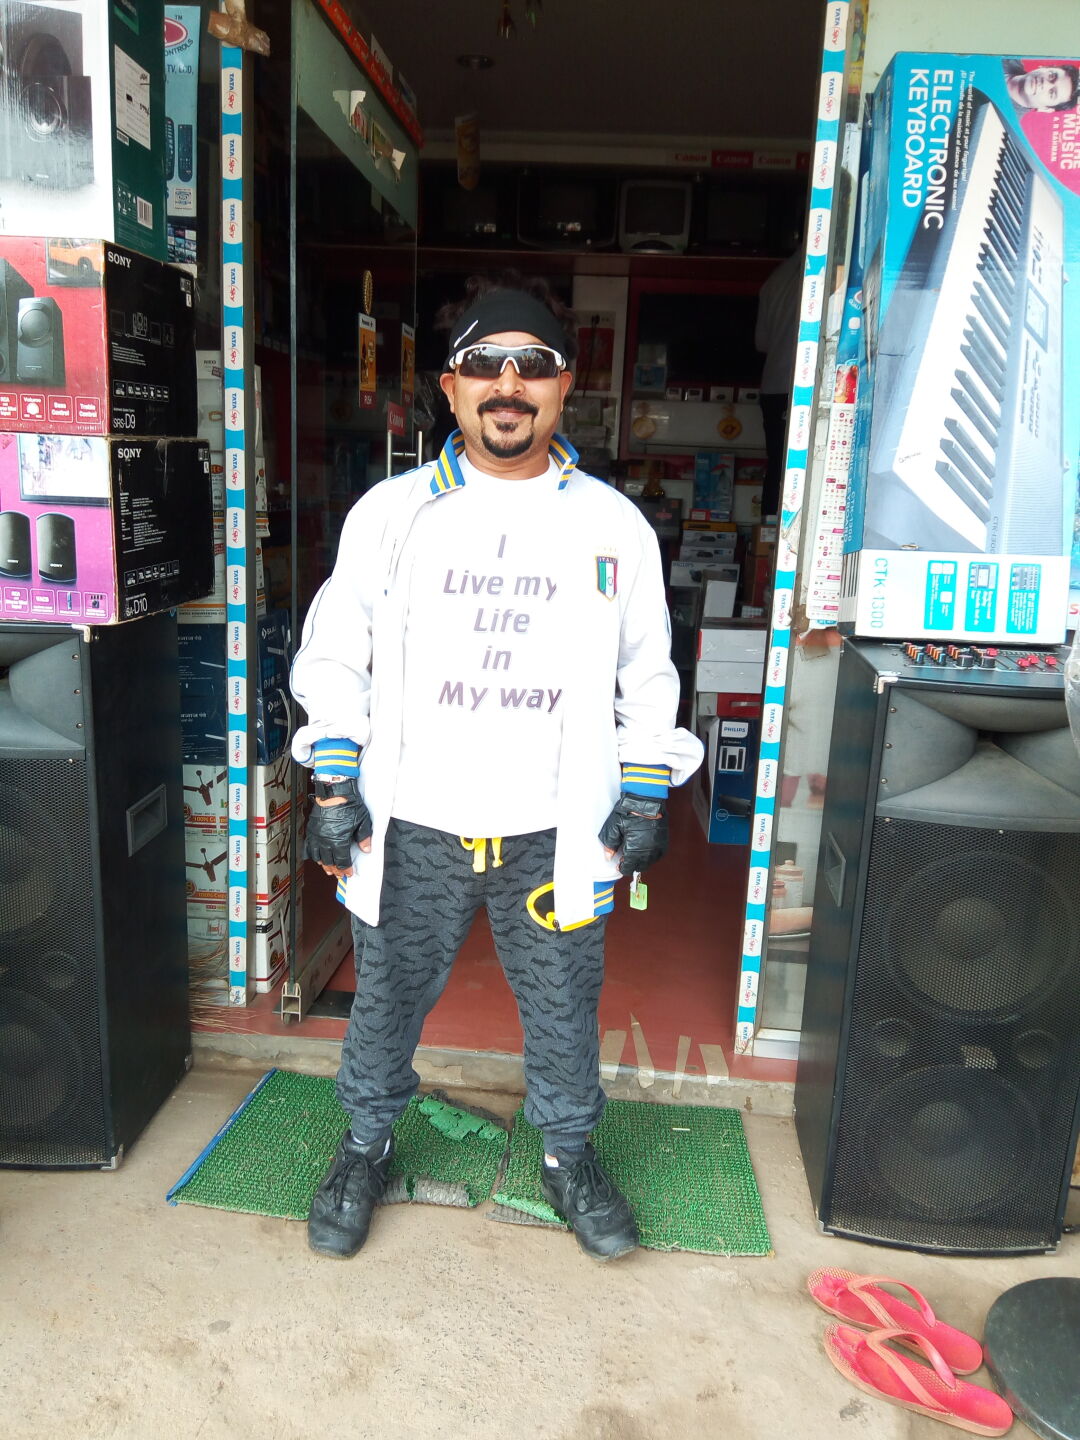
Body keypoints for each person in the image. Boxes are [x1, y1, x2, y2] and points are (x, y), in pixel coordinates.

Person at [290, 276, 703, 1264]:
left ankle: (567, 1156)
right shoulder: (392, 514)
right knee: (386, 996)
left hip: (553, 831)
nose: (507, 384)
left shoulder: (612, 524)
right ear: (450, 387)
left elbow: (647, 668)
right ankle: (364, 1144)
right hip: (415, 823)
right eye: (484, 364)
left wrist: (647, 790)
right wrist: (334, 783)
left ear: (564, 387)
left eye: (532, 365)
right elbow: (336, 653)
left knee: (563, 1004)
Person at [754, 247, 803, 519]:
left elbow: (761, 342)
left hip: (774, 385)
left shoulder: (776, 279)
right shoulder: (824, 272)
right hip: (798, 384)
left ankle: (768, 531)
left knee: (778, 465)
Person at [1002, 59, 1078, 113]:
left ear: (1045, 109)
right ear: (1044, 67)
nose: (1045, 84)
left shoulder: (1003, 125)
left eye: (1052, 93)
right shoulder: (1005, 54)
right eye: (1052, 76)